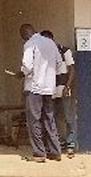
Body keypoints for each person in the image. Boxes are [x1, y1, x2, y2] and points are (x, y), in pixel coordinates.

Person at [18, 23, 63, 162]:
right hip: (49, 88)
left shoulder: (30, 44)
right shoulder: (50, 43)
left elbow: (27, 66)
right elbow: (59, 63)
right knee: (49, 118)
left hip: (34, 88)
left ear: (25, 34)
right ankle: (55, 151)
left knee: (33, 120)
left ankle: (39, 153)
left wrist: (21, 73)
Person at [41, 30, 78, 157]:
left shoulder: (64, 51)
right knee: (52, 118)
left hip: (63, 89)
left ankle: (71, 144)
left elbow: (72, 69)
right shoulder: (43, 54)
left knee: (68, 117)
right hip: (50, 90)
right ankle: (57, 144)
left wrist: (67, 86)